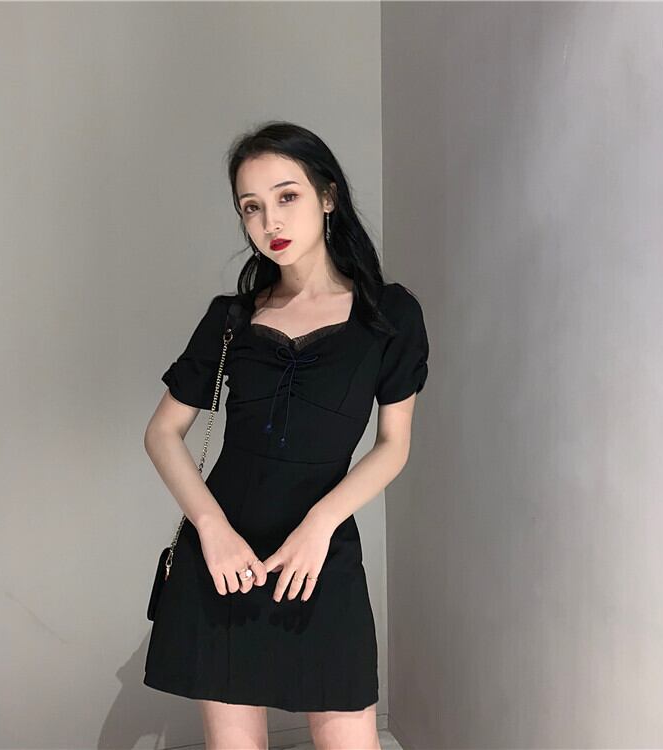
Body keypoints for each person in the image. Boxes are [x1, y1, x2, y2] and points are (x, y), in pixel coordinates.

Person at [143, 121, 430, 750]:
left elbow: (394, 444)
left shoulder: (390, 315)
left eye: (287, 196)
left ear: (327, 196)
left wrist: (321, 524)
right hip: (226, 560)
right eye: (251, 206)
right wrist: (212, 531)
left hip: (318, 554)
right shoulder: (231, 319)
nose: (269, 220)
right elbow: (163, 432)